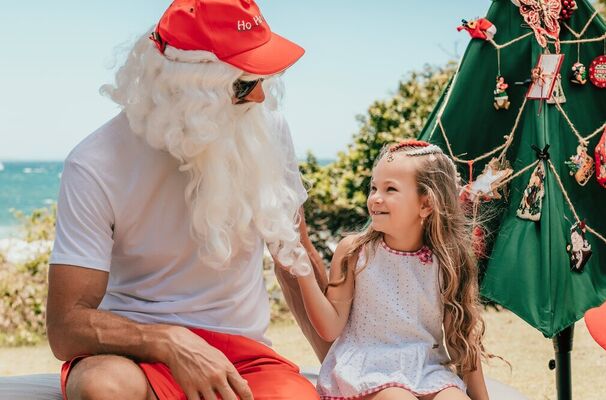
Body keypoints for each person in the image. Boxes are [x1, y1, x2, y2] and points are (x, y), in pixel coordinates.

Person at [45, 1, 326, 399]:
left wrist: (342, 366)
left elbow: (296, 264)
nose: (261, 97)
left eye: (264, 78)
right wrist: (168, 341)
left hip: (243, 357)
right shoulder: (94, 163)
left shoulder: (265, 130)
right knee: (102, 387)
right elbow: (65, 327)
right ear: (187, 91)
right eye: (243, 85)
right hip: (132, 354)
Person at [295, 140, 492, 400]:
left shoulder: (447, 260)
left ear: (426, 204)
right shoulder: (355, 253)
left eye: (390, 189)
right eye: (374, 187)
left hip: (425, 368)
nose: (375, 198)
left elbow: (462, 341)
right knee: (398, 398)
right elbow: (330, 328)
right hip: (368, 369)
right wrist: (303, 272)